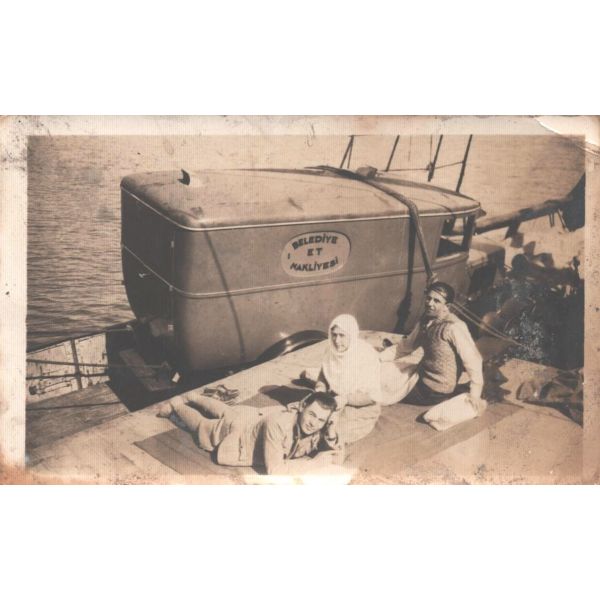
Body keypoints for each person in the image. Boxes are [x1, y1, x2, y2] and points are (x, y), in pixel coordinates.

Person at [157, 390, 342, 475]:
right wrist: (314, 464)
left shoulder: (320, 424)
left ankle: (194, 396)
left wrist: (332, 431)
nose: (314, 423)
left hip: (249, 418)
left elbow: (336, 452)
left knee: (226, 411)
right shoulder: (278, 424)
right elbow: (275, 470)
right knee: (202, 427)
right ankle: (177, 404)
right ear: (302, 407)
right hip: (237, 437)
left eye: (321, 420)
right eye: (311, 414)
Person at [390, 281, 486, 413]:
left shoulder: (454, 327)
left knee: (387, 389)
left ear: (447, 306)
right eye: (428, 298)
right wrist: (378, 359)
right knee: (387, 373)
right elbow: (405, 347)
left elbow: (474, 360)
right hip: (422, 377)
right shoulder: (426, 321)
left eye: (436, 301)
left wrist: (475, 395)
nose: (430, 303)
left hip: (435, 390)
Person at [308, 314, 383, 444]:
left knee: (331, 432)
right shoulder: (331, 350)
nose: (337, 341)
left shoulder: (367, 355)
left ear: (352, 335)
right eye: (334, 335)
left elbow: (372, 397)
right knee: (308, 418)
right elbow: (323, 376)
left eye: (342, 335)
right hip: (336, 399)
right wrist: (320, 390)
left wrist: (346, 399)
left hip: (361, 406)